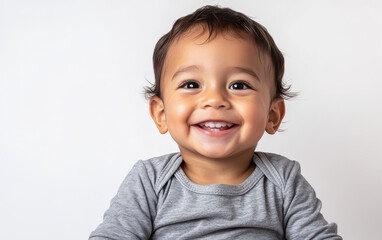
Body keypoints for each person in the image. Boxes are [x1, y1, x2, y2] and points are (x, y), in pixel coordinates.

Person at [89, 5, 342, 240]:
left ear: (272, 115)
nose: (215, 100)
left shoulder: (283, 179)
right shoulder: (150, 180)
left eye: (239, 85)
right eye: (191, 85)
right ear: (161, 114)